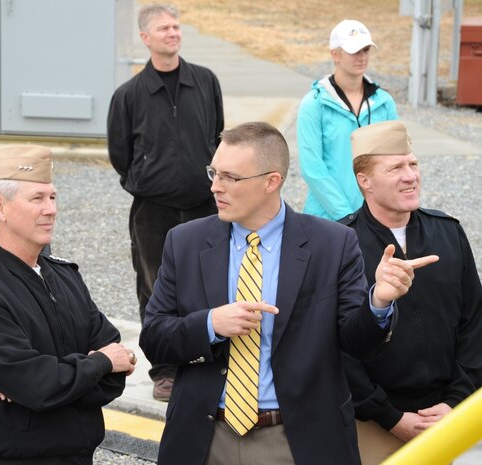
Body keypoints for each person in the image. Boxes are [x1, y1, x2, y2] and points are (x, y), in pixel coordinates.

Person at [138, 121, 438, 465]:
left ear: (272, 181)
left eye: (230, 178)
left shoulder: (332, 244)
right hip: (205, 439)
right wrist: (210, 324)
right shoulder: (185, 242)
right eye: (213, 173)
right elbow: (155, 338)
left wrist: (379, 301)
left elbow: (356, 343)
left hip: (297, 440)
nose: (215, 188)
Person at [0, 145, 136, 464]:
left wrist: (61, 379)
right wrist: (98, 364)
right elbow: (38, 386)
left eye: (52, 197)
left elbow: (115, 359)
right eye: (37, 199)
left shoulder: (64, 276)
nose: (51, 209)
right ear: (0, 207)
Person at [339, 120, 482, 465]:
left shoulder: (449, 233)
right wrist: (389, 416)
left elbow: (474, 323)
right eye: (396, 168)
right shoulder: (340, 244)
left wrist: (455, 402)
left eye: (413, 164)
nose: (410, 176)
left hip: (449, 418)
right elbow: (336, 345)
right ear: (365, 181)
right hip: (372, 425)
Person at [107, 3, 224, 401]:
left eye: (176, 26)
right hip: (152, 212)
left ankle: (210, 359)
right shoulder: (128, 95)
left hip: (204, 206)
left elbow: (218, 135)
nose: (172, 33)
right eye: (163, 28)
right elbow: (120, 154)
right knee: (156, 288)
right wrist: (147, 180)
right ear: (145, 38)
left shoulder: (205, 81)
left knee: (210, 281)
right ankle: (165, 370)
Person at [297, 19, 398, 221]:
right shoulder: (314, 105)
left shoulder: (385, 102)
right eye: (354, 51)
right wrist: (347, 215)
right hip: (327, 218)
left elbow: (396, 159)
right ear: (335, 54)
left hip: (376, 216)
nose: (362, 57)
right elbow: (312, 169)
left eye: (366, 50)